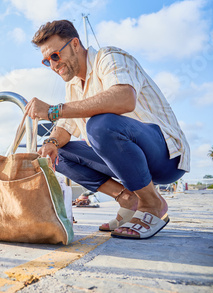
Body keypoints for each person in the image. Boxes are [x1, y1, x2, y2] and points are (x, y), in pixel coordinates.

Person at [25, 20, 190, 239]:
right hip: (128, 161)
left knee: (100, 125)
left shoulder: (110, 57)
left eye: (55, 55)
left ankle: (152, 204)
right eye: (47, 61)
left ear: (75, 44)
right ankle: (128, 199)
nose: (53, 65)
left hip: (165, 156)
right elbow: (65, 127)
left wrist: (54, 110)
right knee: (58, 155)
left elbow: (124, 99)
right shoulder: (73, 84)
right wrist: (50, 144)